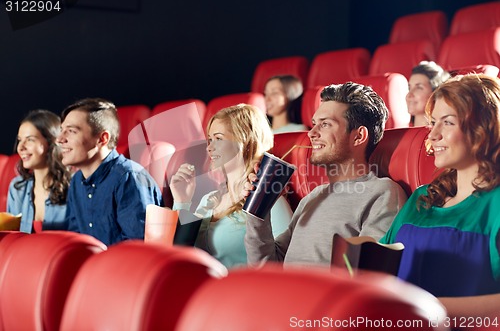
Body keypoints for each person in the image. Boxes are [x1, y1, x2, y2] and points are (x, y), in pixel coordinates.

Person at [244, 82, 408, 267]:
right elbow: (266, 268)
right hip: (281, 293)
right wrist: (258, 211)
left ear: (359, 136)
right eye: (314, 124)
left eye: (325, 124)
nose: (312, 133)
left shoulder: (382, 192)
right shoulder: (312, 197)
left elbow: (363, 276)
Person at [380, 74, 500, 319]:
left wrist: (427, 311)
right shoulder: (422, 198)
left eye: (447, 122)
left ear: (484, 127)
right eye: (433, 122)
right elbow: (380, 265)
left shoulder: (495, 204)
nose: (432, 135)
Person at [170, 104, 292, 269]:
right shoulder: (209, 199)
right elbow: (178, 252)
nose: (209, 147)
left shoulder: (270, 203)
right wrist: (182, 201)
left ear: (245, 140)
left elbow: (286, 263)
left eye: (218, 138)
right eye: (210, 139)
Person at [57, 98, 163, 246]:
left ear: (102, 138)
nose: (60, 139)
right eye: (62, 131)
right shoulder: (76, 181)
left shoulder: (129, 177)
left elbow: (138, 250)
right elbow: (77, 240)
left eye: (71, 131)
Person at [7, 110, 71, 233]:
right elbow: (12, 240)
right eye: (20, 140)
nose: (21, 147)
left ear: (51, 142)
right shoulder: (17, 188)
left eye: (30, 139)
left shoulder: (74, 187)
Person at [406, 61, 450, 127]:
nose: (409, 95)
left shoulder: (443, 135)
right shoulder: (401, 134)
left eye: (419, 88)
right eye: (409, 88)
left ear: (435, 93)